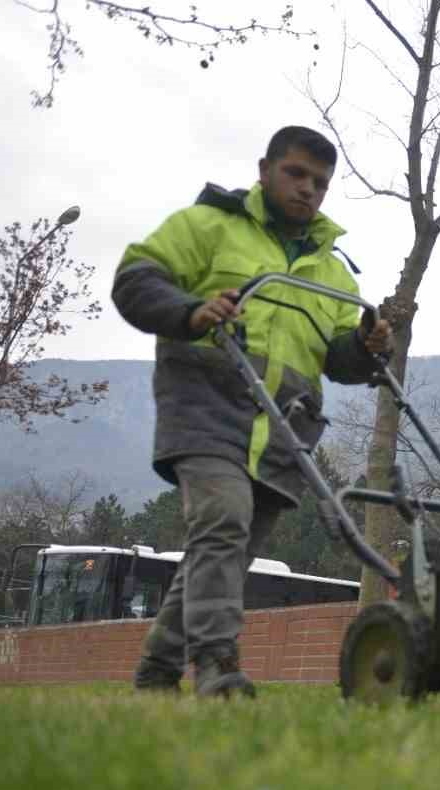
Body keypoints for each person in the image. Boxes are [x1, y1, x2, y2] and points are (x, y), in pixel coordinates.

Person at [113, 126, 391, 698]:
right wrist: (191, 312)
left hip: (283, 427)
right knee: (223, 523)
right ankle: (217, 664)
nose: (308, 189)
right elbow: (136, 279)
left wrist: (365, 346)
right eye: (296, 174)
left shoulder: (331, 270)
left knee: (228, 550)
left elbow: (338, 359)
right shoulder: (208, 226)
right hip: (206, 404)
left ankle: (157, 671)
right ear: (264, 170)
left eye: (320, 182)